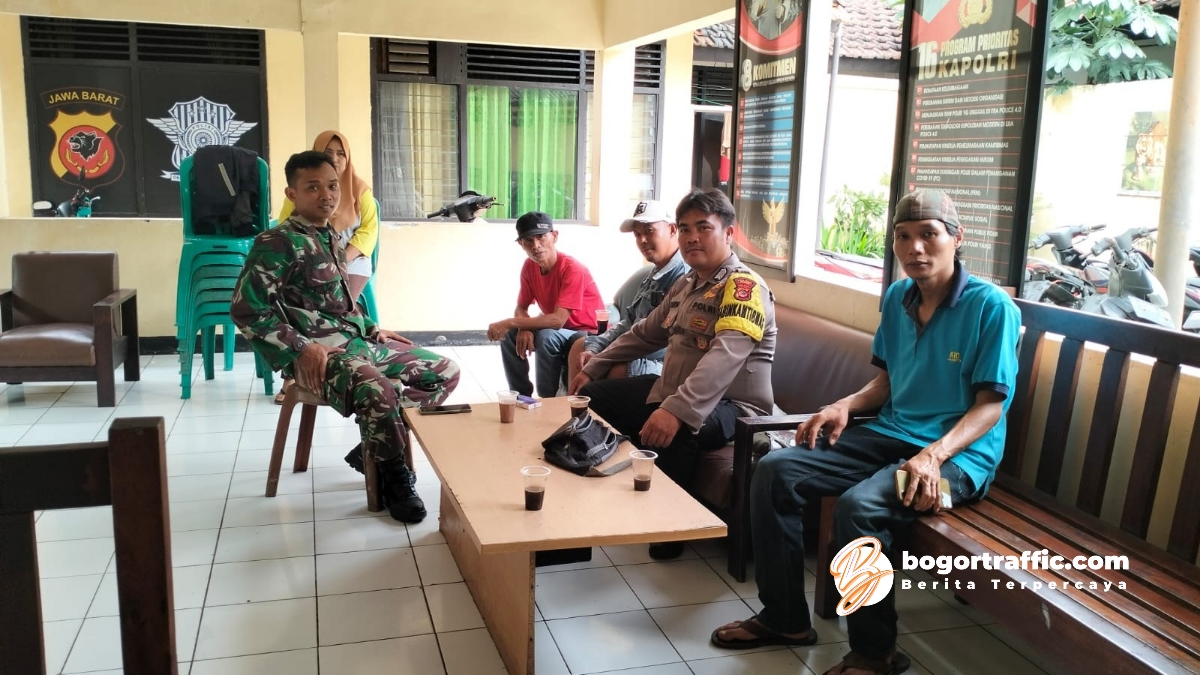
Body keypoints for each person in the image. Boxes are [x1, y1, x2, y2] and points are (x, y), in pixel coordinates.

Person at [709, 190, 1020, 675]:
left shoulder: (991, 307)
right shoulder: (898, 297)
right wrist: (843, 406)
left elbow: (990, 407)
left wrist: (934, 455)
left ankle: (876, 653)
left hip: (959, 461)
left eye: (929, 235)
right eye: (903, 236)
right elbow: (888, 380)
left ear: (957, 238)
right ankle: (784, 617)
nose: (915, 247)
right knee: (774, 471)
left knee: (860, 507)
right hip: (892, 433)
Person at [232, 151, 460, 524]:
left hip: (355, 342)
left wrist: (371, 328)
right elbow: (247, 310)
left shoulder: (332, 237)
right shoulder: (277, 242)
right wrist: (300, 348)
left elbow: (340, 305)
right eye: (313, 187)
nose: (327, 195)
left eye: (332, 186)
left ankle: (374, 441)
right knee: (377, 388)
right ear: (292, 194)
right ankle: (394, 478)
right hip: (318, 355)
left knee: (445, 371)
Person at [568, 189, 776, 560]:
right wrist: (595, 365)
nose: (692, 237)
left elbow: (724, 358)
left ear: (729, 234)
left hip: (735, 406)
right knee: (596, 398)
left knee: (680, 426)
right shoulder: (687, 284)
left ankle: (670, 526)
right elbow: (645, 333)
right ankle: (628, 485)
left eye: (703, 227)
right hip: (677, 390)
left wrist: (675, 410)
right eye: (685, 228)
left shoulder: (743, 288)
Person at [276, 130, 379, 404]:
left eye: (341, 153)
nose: (335, 158)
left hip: (353, 260)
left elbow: (369, 231)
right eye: (328, 153)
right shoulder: (297, 199)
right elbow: (286, 227)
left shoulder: (360, 189)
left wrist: (340, 258)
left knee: (339, 304)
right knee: (298, 303)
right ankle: (297, 373)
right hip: (311, 260)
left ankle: (351, 356)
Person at [565, 200, 689, 386]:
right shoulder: (654, 274)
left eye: (649, 231)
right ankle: (575, 404)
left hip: (669, 363)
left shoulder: (684, 276)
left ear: (672, 229)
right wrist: (596, 348)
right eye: (637, 234)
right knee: (580, 347)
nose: (642, 240)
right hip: (635, 347)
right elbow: (629, 322)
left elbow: (659, 341)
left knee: (618, 369)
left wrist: (605, 358)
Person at [487, 212, 604, 398]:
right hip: (556, 328)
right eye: (528, 240)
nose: (536, 245)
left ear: (554, 236)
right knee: (511, 335)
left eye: (541, 236)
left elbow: (558, 320)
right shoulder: (529, 266)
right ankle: (521, 397)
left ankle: (547, 399)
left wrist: (511, 322)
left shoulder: (573, 269)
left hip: (585, 330)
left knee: (547, 336)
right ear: (521, 244)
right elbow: (522, 307)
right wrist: (523, 327)